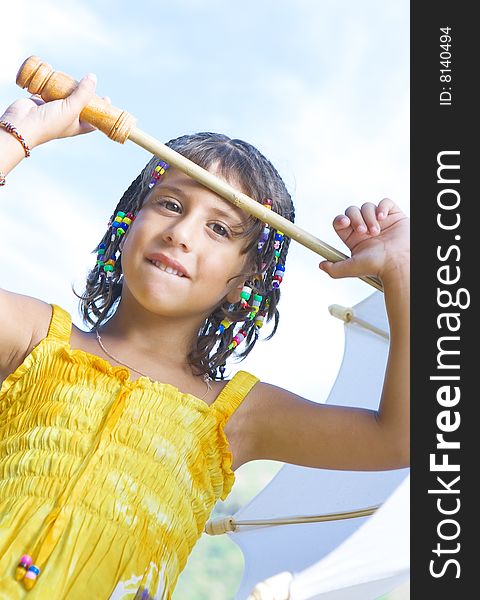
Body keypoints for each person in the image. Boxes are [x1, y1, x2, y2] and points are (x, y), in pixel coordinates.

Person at [0, 74, 410, 599]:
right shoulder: (34, 336)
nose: (181, 232)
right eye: (170, 204)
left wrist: (404, 277)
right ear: (128, 221)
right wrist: (21, 133)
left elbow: (400, 438)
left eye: (220, 229)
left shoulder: (239, 415)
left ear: (245, 281)